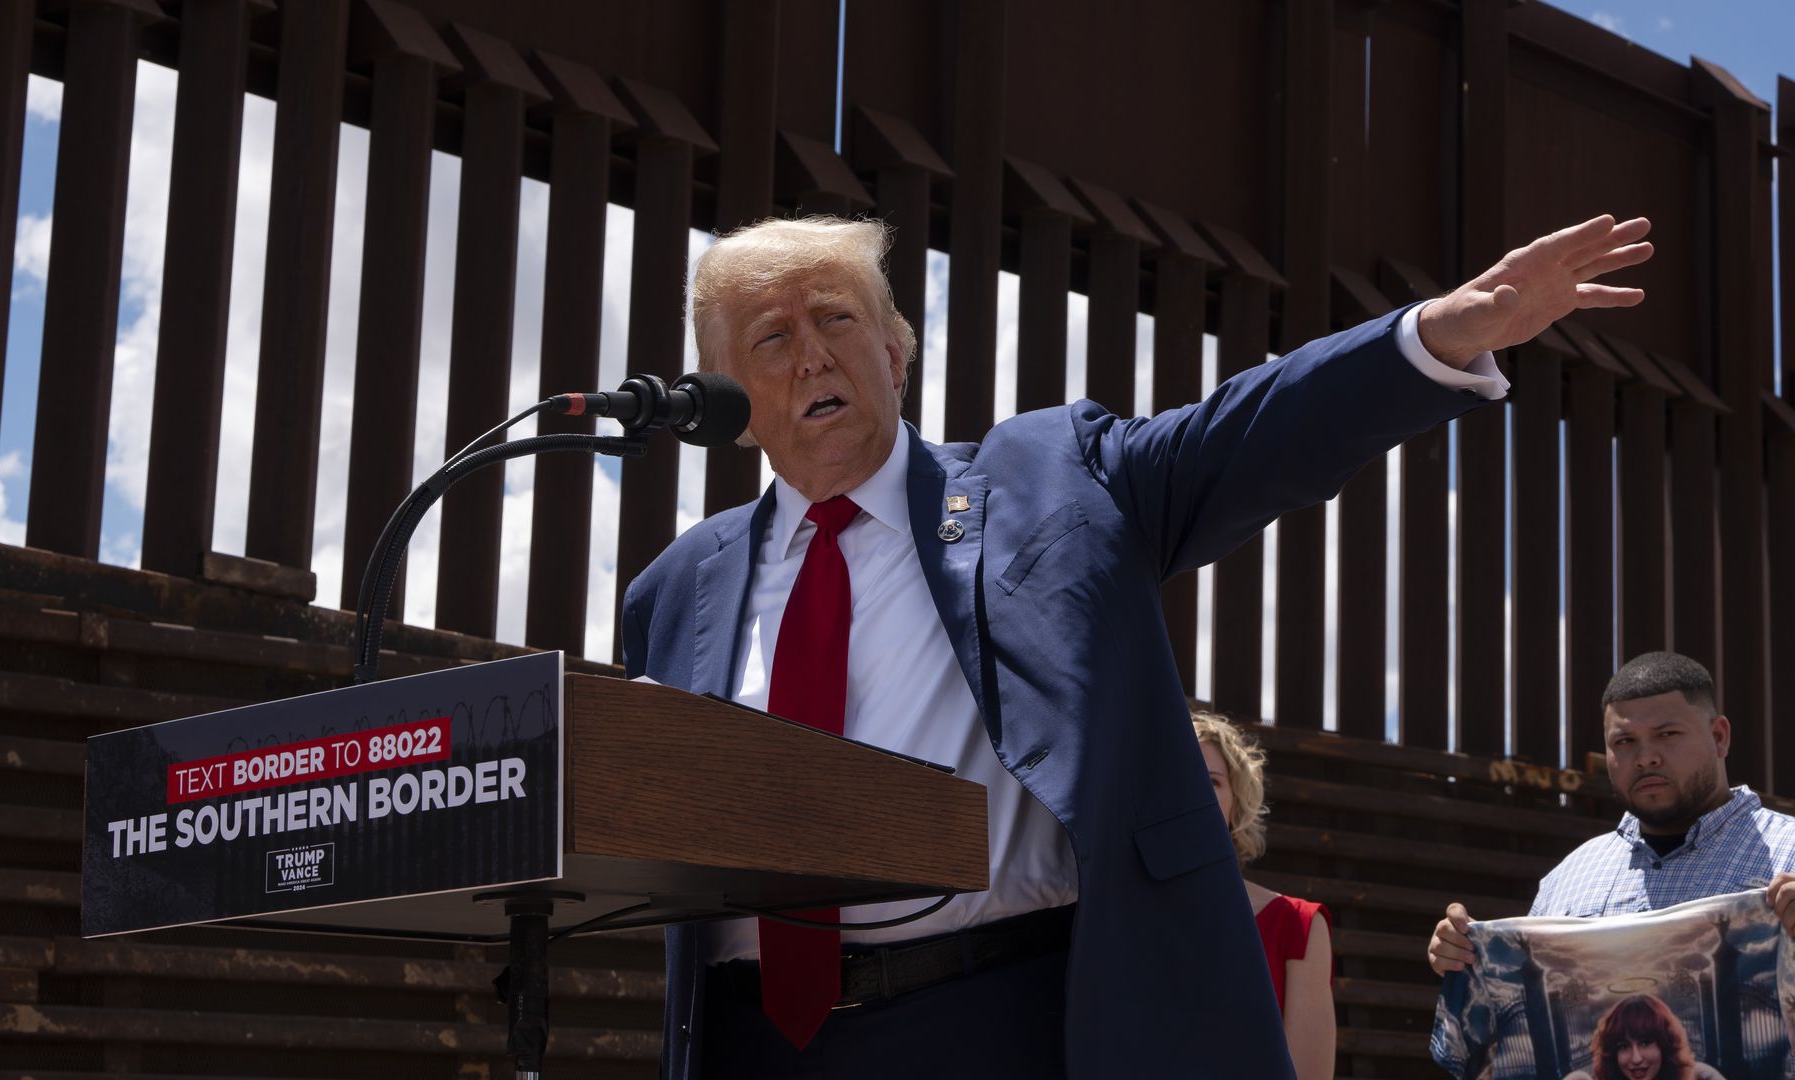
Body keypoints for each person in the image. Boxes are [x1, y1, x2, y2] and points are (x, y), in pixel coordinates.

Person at [623, 210, 1654, 1079]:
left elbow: (1246, 432)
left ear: (895, 350)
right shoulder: (676, 592)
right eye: (770, 337)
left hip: (997, 1016)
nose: (811, 354)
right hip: (750, 1038)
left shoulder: (1050, 484)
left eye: (836, 319)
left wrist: (1434, 336)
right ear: (728, 406)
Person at [1428, 652, 1795, 979]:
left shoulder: (1789, 851)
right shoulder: (1566, 881)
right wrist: (1470, 959)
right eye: (1625, 741)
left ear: (1719, 737)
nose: (1645, 757)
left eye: (1667, 734)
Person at [1196, 711, 1336, 1080]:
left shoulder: (1298, 925)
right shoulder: (1121, 918)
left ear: (1236, 805)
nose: (1194, 789)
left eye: (1211, 781)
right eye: (1180, 775)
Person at [1564, 994, 1725, 1080]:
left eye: (1645, 1042)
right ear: (1612, 1054)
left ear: (1665, 1045)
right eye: (1623, 1046)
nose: (1636, 1059)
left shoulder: (1702, 1076)